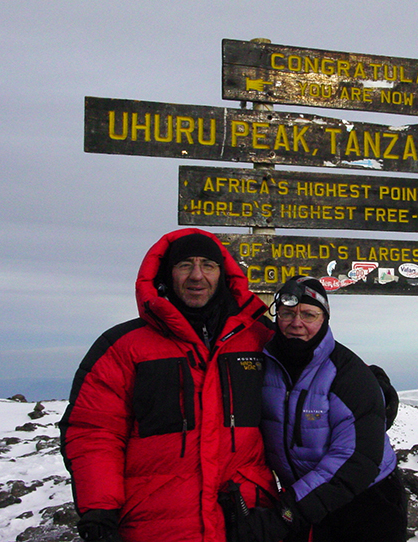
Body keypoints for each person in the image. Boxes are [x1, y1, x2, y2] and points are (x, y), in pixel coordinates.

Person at [59, 229, 278, 542]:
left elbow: (310, 380)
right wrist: (99, 510)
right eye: (185, 265)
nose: (197, 276)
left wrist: (362, 381)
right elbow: (95, 431)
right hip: (156, 523)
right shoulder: (123, 347)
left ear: (223, 274)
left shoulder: (257, 339)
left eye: (208, 265)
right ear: (167, 274)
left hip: (248, 519)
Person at [242, 276, 407, 542]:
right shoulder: (264, 363)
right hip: (310, 501)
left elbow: (355, 460)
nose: (297, 323)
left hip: (367, 502)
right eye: (287, 313)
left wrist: (289, 512)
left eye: (309, 314)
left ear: (325, 318)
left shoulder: (347, 375)